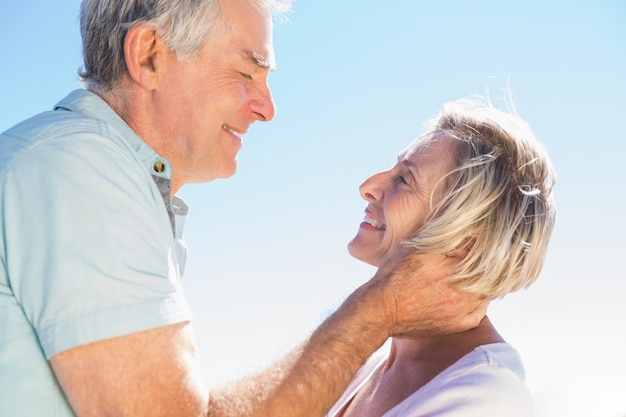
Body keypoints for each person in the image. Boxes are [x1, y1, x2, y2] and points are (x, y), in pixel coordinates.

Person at [0, 1, 487, 416]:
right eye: (245, 72)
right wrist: (375, 312)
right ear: (148, 56)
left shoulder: (91, 172)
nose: (267, 107)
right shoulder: (83, 174)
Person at [325, 97, 557, 417]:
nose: (368, 187)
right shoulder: (366, 366)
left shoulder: (486, 399)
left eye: (405, 180)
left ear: (463, 241)